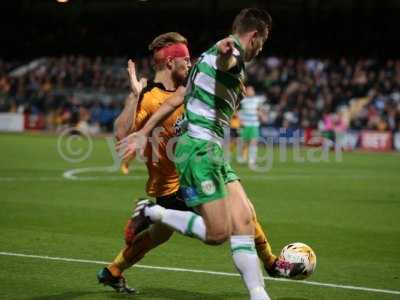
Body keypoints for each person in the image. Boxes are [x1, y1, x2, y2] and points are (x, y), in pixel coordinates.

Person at [121, 9, 304, 300]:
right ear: (254, 35)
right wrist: (225, 55)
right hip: (197, 149)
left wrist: (144, 132)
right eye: (263, 41)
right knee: (217, 233)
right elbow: (227, 61)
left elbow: (178, 99)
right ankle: (151, 211)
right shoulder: (228, 54)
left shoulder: (203, 58)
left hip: (212, 151)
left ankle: (259, 294)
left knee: (244, 219)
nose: (261, 47)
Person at [237, 85, 265, 168]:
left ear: (254, 91)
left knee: (254, 142)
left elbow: (259, 110)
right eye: (248, 90)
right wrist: (240, 120)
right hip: (245, 125)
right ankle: (242, 157)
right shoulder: (242, 100)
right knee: (244, 142)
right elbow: (237, 111)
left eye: (251, 90)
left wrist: (262, 115)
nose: (249, 92)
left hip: (254, 124)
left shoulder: (257, 100)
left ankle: (252, 162)